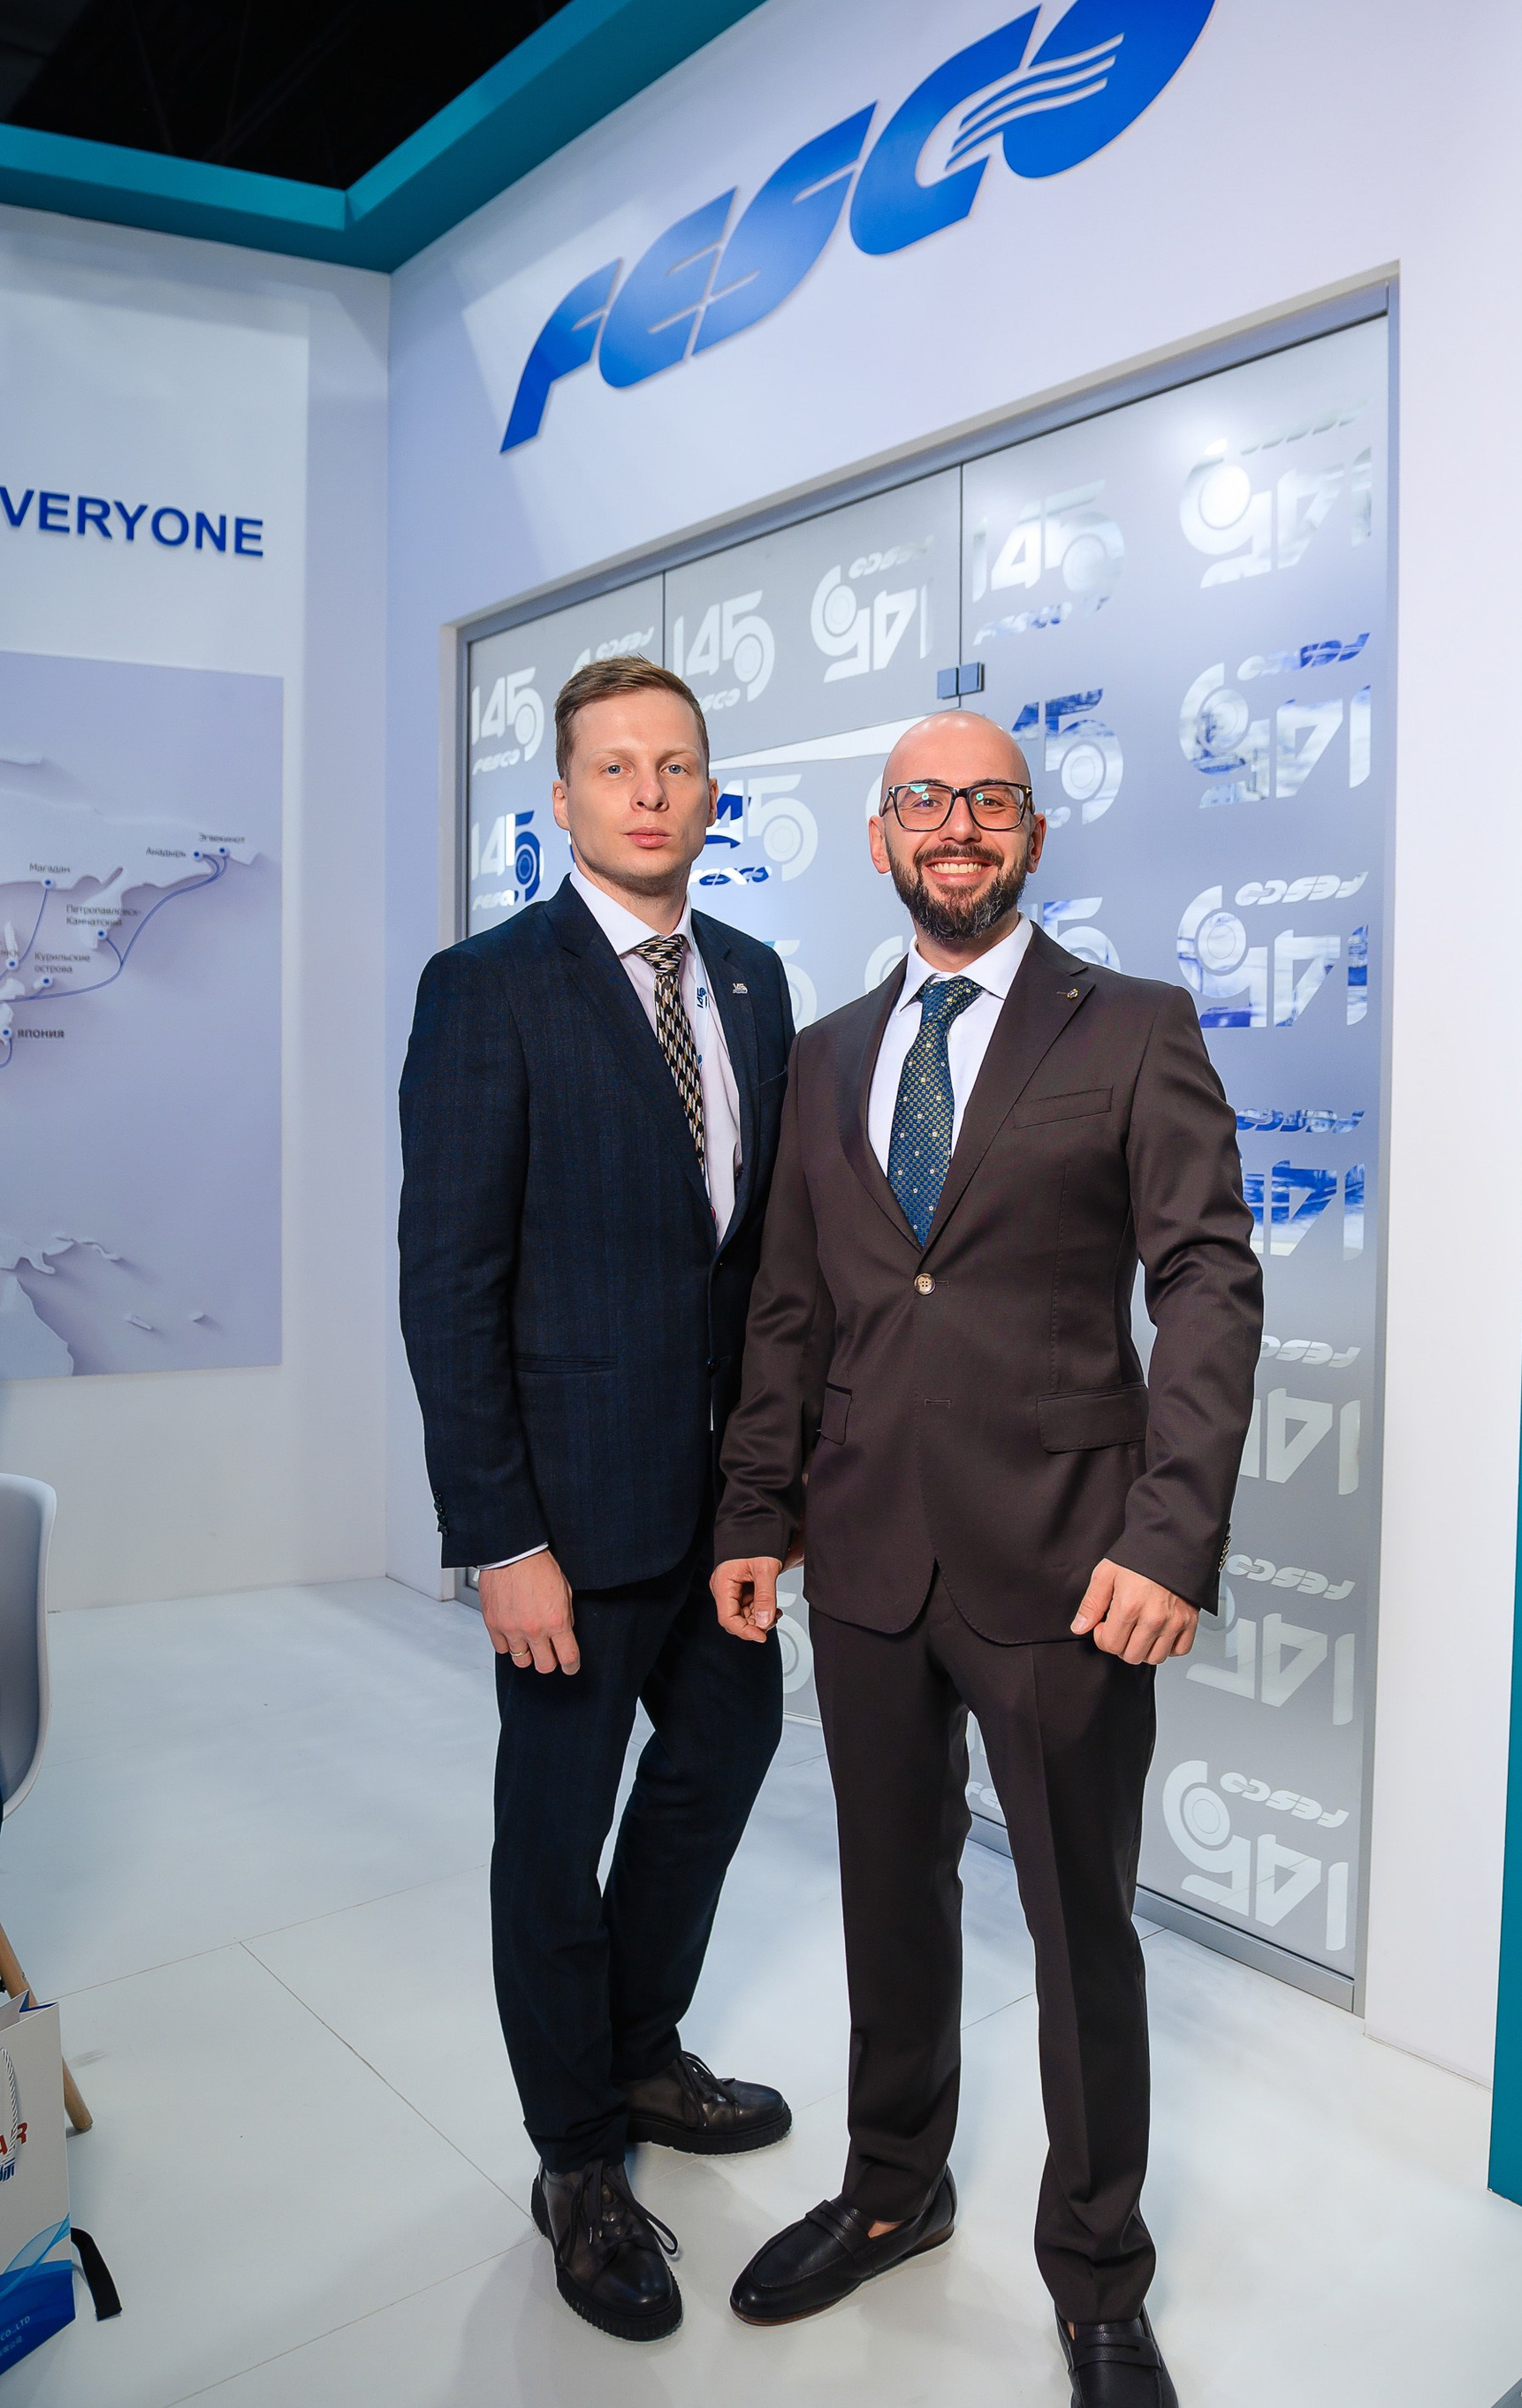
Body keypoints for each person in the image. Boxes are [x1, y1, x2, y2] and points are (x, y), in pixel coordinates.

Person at [710, 710, 1262, 2407]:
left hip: (1072, 1562)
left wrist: (1171, 1535)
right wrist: (755, 1510)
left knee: (1080, 1928)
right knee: (888, 1894)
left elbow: (1207, 1280)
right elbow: (791, 1304)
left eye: (991, 800)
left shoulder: (1136, 1026)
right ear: (881, 835)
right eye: (925, 800)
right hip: (869, 1552)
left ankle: (1098, 2273)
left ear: (1032, 830)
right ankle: (894, 2187)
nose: (958, 825)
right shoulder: (825, 1053)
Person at [399, 657, 795, 2346]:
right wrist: (501, 1536)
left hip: (721, 1519)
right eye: (614, 766)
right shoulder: (488, 987)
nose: (647, 790)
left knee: (722, 1763)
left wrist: (771, 1493)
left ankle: (638, 2051)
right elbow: (448, 1285)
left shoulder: (755, 980)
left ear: (711, 795)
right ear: (560, 799)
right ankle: (575, 2156)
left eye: (676, 764)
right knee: (553, 1842)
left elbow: (758, 1266)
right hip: (563, 1521)